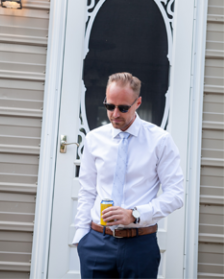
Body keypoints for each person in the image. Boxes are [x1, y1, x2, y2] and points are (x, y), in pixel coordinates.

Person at [74, 72, 184, 278]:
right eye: (110, 106)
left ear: (138, 103)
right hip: (97, 242)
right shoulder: (93, 139)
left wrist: (135, 214)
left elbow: (176, 195)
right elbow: (87, 190)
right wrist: (81, 237)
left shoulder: (160, 141)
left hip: (140, 245)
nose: (115, 114)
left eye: (123, 108)